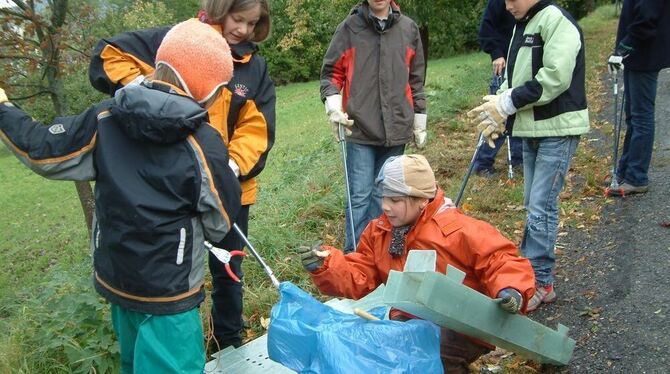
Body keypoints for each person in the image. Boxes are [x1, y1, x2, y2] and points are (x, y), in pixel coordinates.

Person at [0, 20, 241, 373]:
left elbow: (42, 148)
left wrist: (5, 108)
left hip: (118, 281)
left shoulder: (104, 118)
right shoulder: (204, 143)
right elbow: (221, 220)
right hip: (171, 295)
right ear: (207, 87)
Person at [88, 0, 276, 350]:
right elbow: (109, 55)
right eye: (238, 19)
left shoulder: (254, 68)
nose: (244, 30)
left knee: (229, 270)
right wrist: (141, 87)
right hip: (170, 186)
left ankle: (227, 340)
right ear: (220, 8)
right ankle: (174, 336)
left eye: (253, 24)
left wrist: (231, 166)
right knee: (175, 271)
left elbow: (257, 127)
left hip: (227, 187)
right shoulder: (177, 41)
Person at [299, 154, 535, 373]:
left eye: (395, 200)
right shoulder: (380, 231)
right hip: (408, 318)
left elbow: (500, 259)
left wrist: (511, 290)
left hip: (461, 324)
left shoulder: (456, 229)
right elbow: (359, 274)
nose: (385, 206)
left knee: (433, 359)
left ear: (422, 199)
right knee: (380, 353)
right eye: (383, 197)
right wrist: (327, 265)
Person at [467, 0, 590, 312]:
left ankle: (541, 281)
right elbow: (516, 77)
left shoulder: (556, 21)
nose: (506, 6)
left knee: (541, 207)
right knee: (531, 204)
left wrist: (509, 104)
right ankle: (529, 273)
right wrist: (498, 106)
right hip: (531, 127)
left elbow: (555, 77)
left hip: (558, 127)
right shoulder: (524, 24)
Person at [320, 0, 427, 253]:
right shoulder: (349, 28)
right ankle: (354, 257)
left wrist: (419, 117)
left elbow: (416, 79)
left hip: (397, 129)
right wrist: (333, 104)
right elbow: (331, 75)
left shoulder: (408, 29)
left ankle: (380, 254)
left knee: (386, 199)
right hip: (359, 129)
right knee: (359, 197)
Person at [606, 0, 670, 196]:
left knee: (641, 117)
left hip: (644, 54)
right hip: (637, 56)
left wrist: (624, 47)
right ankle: (625, 170)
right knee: (632, 117)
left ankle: (637, 177)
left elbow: (646, 19)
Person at [473, 0, 523, 177]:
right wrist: (497, 54)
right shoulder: (498, 3)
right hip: (503, 65)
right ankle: (482, 163)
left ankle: (519, 161)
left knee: (521, 112)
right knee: (497, 116)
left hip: (523, 65)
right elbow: (485, 31)